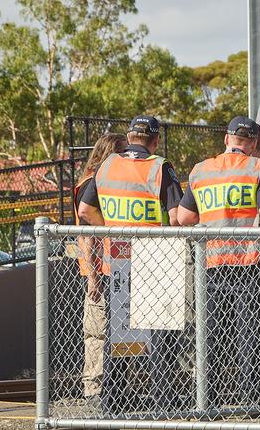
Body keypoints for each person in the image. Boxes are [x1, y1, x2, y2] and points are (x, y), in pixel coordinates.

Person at [76, 116, 183, 414]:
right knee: (160, 330)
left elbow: (85, 210)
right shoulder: (160, 166)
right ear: (155, 140)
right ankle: (164, 400)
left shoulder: (107, 166)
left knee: (118, 331)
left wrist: (110, 229)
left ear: (130, 136)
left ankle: (115, 399)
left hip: (116, 260)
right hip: (154, 258)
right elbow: (176, 217)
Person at [177, 116, 260, 408]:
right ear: (251, 144)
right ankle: (253, 401)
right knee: (251, 335)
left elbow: (184, 218)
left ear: (226, 140)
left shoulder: (201, 170)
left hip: (212, 264)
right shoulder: (255, 167)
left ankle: (207, 401)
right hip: (249, 263)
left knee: (211, 335)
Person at [71, 133, 127, 406]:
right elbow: (87, 236)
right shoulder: (91, 184)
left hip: (117, 265)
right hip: (100, 269)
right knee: (97, 332)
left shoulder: (109, 183)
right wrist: (93, 277)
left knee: (122, 330)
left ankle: (118, 389)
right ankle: (94, 390)